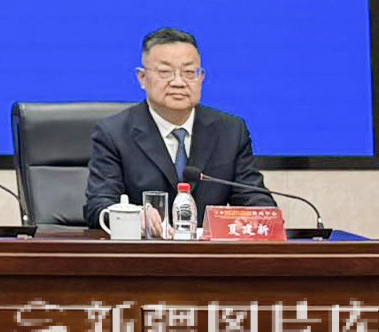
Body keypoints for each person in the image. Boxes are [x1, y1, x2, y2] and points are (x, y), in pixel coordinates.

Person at [84, 27, 274, 230]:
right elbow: (98, 206)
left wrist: (260, 218)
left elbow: (256, 200)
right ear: (142, 78)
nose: (178, 82)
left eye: (189, 72)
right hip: (145, 247)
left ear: (201, 78)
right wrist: (130, 216)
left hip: (207, 249)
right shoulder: (114, 133)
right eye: (165, 72)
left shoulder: (230, 131)